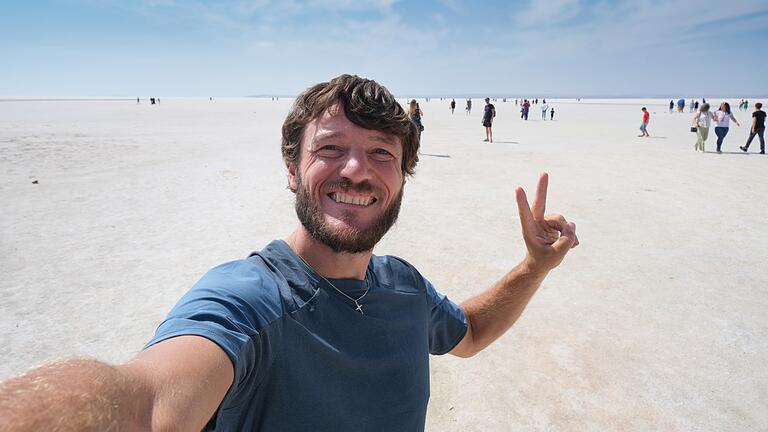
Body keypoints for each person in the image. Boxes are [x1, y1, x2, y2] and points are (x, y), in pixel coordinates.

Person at [0, 74, 578, 431]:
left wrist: (535, 266)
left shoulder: (404, 287)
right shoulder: (247, 302)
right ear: (292, 169)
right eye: (331, 148)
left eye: (382, 152)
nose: (357, 169)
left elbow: (470, 333)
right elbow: (146, 404)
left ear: (403, 176)